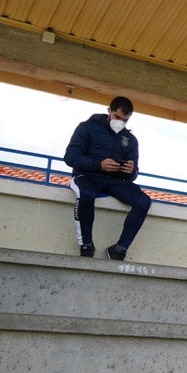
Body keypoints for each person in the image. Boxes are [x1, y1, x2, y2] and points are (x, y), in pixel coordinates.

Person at [63, 96, 152, 260]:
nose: (121, 122)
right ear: (109, 111)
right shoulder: (87, 127)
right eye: (117, 117)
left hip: (116, 182)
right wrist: (99, 164)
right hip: (87, 176)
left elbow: (133, 174)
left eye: (125, 120)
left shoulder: (130, 139)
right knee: (85, 194)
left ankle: (119, 249)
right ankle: (86, 246)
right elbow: (70, 157)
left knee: (143, 201)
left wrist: (131, 171)